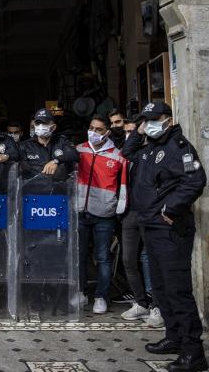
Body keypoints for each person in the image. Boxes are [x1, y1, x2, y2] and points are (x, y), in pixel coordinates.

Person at [122, 102, 208, 372]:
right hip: (151, 226)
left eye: (154, 119)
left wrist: (171, 208)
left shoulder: (178, 147)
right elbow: (127, 151)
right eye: (146, 120)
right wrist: (138, 127)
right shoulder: (150, 146)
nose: (149, 124)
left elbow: (195, 181)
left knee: (177, 291)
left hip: (170, 228)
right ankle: (174, 338)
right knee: (160, 289)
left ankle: (193, 353)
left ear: (168, 120)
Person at [76, 115, 129, 315]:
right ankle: (80, 292)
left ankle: (101, 296)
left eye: (98, 129)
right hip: (81, 210)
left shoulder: (117, 156)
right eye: (91, 128)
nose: (93, 132)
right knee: (79, 256)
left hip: (104, 213)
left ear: (107, 132)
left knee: (103, 257)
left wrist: (118, 208)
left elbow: (123, 186)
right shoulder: (78, 150)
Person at [118, 113, 162, 326]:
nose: (129, 135)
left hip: (150, 213)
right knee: (128, 259)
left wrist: (141, 131)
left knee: (149, 259)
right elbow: (126, 151)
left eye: (132, 131)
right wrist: (135, 132)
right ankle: (141, 302)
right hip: (130, 212)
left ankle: (157, 305)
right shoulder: (132, 153)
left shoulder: (153, 152)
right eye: (126, 132)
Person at [18, 108, 78, 180]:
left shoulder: (61, 141)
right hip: (33, 188)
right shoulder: (25, 146)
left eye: (44, 123)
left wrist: (56, 161)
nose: (40, 126)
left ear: (53, 127)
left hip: (58, 188)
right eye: (38, 123)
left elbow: (74, 154)